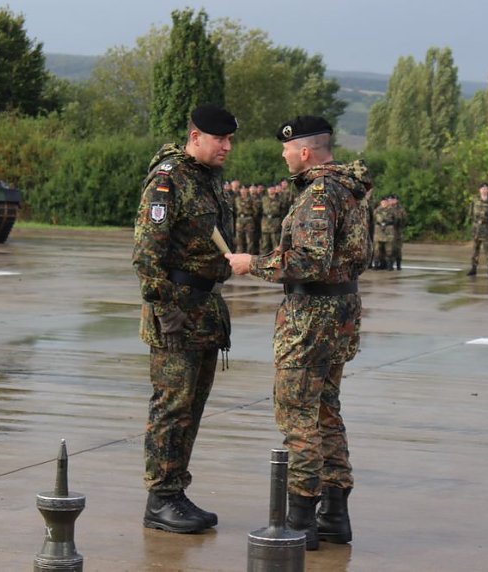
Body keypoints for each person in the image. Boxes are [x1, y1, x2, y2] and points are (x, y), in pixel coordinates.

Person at [225, 115, 371, 551]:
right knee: (326, 409)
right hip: (340, 310)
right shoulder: (349, 188)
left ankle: (302, 519)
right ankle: (335, 516)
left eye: (287, 149)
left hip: (312, 315)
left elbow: (309, 260)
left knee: (297, 415)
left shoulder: (319, 194)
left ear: (305, 151)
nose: (284, 155)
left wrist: (253, 263)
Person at [132, 103, 237, 534]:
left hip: (204, 311)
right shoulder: (168, 180)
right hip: (176, 313)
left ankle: (175, 490)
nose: (227, 147)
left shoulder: (208, 181)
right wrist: (165, 308)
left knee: (192, 409)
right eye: (220, 139)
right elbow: (146, 255)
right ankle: (160, 498)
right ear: (196, 137)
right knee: (171, 409)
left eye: (230, 140)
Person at [466, 183, 488, 277]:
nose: (484, 190)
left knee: (487, 249)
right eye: (482, 189)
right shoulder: (475, 200)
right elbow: (470, 213)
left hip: (487, 228)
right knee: (475, 248)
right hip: (476, 228)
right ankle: (473, 268)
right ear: (479, 190)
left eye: (486, 188)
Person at [372, 196, 396, 270]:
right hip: (378, 233)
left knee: (389, 250)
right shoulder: (377, 210)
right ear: (380, 203)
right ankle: (376, 265)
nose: (384, 203)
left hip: (389, 233)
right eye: (383, 202)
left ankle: (389, 266)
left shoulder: (392, 210)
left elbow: (397, 220)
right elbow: (373, 219)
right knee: (377, 250)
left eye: (385, 202)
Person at [260, 185, 284, 254]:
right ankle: (263, 260)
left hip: (275, 223)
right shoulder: (264, 199)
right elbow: (259, 210)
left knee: (276, 243)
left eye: (272, 188)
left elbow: (283, 210)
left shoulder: (280, 199)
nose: (271, 190)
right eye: (269, 189)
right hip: (265, 223)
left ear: (275, 190)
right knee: (265, 244)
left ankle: (276, 260)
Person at [392, 195, 407, 270]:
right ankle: (389, 265)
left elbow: (403, 219)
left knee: (397, 249)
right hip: (389, 232)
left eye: (394, 199)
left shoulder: (400, 209)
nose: (392, 201)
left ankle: (398, 264)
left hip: (397, 231)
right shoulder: (388, 207)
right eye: (392, 199)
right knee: (389, 249)